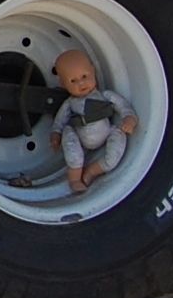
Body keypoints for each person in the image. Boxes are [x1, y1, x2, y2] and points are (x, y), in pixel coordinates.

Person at [50, 48, 138, 194]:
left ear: (93, 71)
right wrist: (56, 133)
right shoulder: (70, 103)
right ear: (63, 84)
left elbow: (122, 106)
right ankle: (74, 179)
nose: (81, 83)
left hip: (106, 132)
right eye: (73, 81)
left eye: (85, 76)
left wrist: (129, 118)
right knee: (70, 140)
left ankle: (92, 171)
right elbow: (60, 121)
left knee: (117, 143)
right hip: (79, 136)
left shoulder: (104, 95)